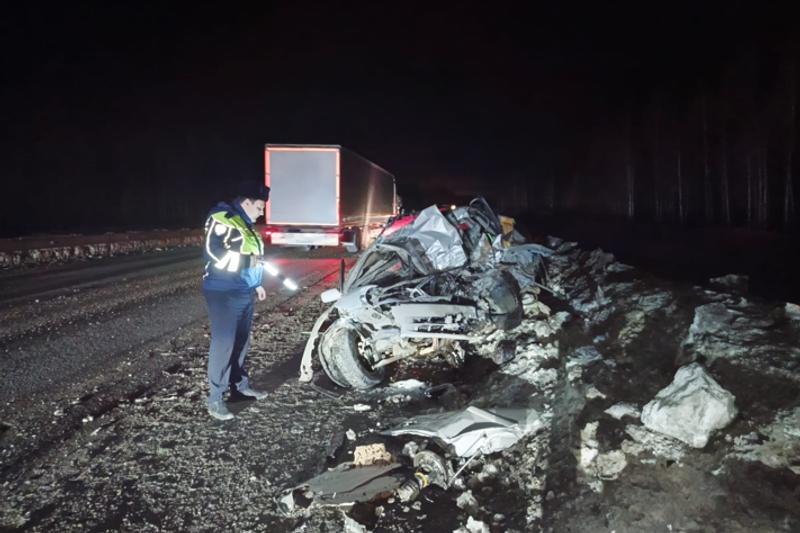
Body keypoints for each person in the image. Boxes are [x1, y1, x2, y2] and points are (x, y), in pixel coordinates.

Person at [202, 180, 270, 420]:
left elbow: (253, 256)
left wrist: (257, 283)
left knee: (242, 342)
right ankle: (215, 399)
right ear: (247, 202)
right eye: (260, 207)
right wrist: (246, 264)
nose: (262, 212)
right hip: (222, 290)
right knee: (224, 343)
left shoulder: (245, 224)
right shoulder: (223, 218)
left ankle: (239, 388)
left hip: (243, 289)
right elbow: (213, 253)